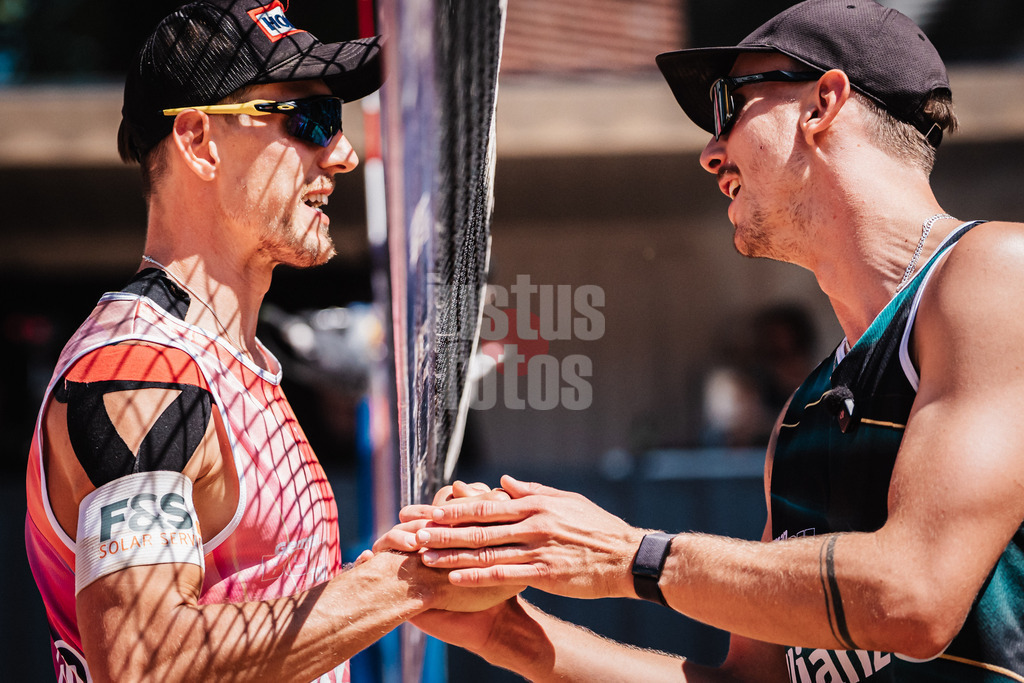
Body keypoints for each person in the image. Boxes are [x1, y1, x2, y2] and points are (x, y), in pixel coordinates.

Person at [376, 1, 1024, 680]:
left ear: (822, 103)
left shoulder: (993, 273)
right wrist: (508, 632)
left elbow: (912, 597)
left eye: (729, 104)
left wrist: (626, 554)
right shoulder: (801, 419)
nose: (711, 149)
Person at [23, 2, 515, 681]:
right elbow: (144, 662)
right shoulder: (140, 370)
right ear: (198, 140)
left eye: (335, 122)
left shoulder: (231, 362)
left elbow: (258, 614)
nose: (340, 154)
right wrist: (409, 577)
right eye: (308, 120)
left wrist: (416, 568)